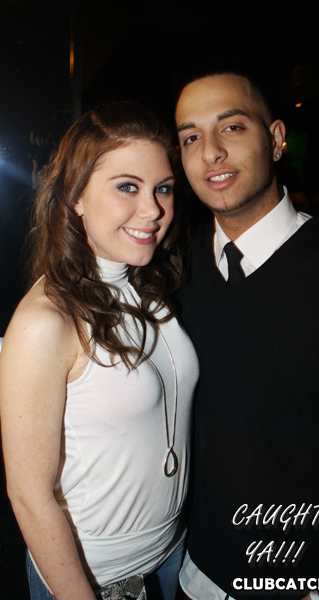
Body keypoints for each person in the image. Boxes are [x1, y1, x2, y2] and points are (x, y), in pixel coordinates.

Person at [174, 71, 319, 599]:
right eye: (190, 137)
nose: (210, 152)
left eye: (232, 127)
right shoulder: (174, 271)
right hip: (196, 574)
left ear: (276, 139)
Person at [0, 100, 199, 600]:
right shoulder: (46, 322)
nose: (153, 210)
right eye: (127, 186)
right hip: (100, 578)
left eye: (163, 188)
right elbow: (29, 496)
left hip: (172, 552)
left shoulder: (148, 288)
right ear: (75, 197)